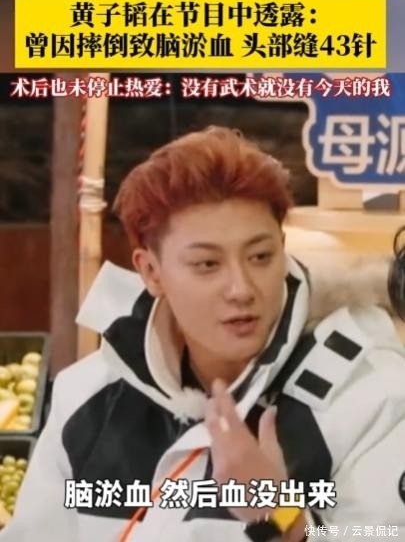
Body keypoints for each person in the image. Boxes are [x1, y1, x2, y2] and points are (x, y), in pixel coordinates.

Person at [1, 126, 405, 542]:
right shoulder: (86, 397)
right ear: (150, 271)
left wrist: (281, 515)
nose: (241, 289)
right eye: (207, 264)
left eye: (261, 256)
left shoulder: (370, 397)